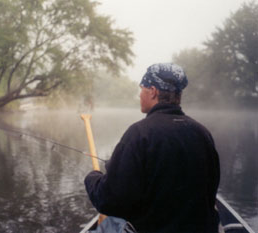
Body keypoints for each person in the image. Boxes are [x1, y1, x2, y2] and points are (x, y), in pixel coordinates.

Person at [84, 63, 220, 232]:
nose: (140, 95)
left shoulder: (140, 134)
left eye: (142, 88)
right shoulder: (202, 133)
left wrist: (92, 178)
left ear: (153, 91)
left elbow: (110, 201)